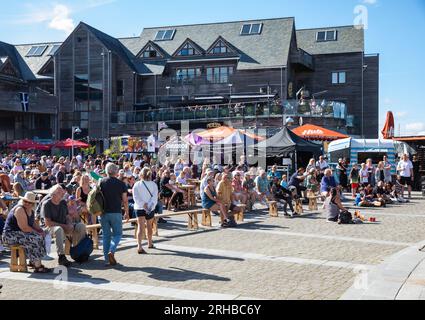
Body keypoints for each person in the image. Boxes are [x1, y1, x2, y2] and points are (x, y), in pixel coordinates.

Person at [2, 192, 51, 273]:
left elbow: (35, 225)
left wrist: (42, 231)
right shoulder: (20, 209)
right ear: (23, 200)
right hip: (10, 235)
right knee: (35, 238)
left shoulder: (31, 211)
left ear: (33, 204)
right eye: (25, 201)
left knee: (41, 236)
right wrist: (38, 233)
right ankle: (38, 266)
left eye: (30, 202)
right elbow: (24, 228)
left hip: (19, 234)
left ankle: (33, 261)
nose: (27, 203)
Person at [41, 185, 87, 267]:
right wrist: (65, 226)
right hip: (50, 228)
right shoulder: (47, 204)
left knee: (81, 226)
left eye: (62, 192)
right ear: (53, 194)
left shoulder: (63, 202)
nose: (63, 194)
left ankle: (79, 252)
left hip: (64, 225)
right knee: (59, 229)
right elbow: (48, 223)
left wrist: (69, 223)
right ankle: (61, 257)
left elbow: (67, 216)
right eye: (60, 192)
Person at [99, 163, 130, 266]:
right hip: (116, 212)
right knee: (118, 234)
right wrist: (127, 212)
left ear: (107, 171)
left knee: (106, 236)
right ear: (116, 172)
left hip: (103, 212)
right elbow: (125, 200)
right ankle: (112, 251)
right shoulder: (121, 184)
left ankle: (107, 260)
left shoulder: (101, 182)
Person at [133, 168, 158, 254]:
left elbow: (136, 197)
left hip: (139, 208)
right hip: (150, 208)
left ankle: (139, 246)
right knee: (149, 225)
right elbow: (154, 198)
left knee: (140, 226)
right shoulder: (154, 185)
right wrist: (149, 206)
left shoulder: (136, 184)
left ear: (141, 174)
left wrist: (143, 204)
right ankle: (150, 243)